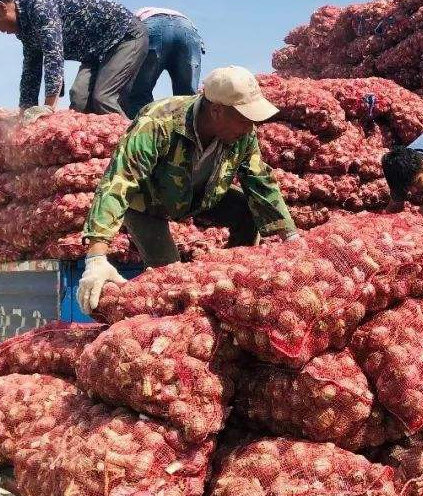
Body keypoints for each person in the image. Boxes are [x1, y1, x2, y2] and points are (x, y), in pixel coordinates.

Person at [75, 66, 299, 313]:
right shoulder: (159, 121)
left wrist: (291, 238)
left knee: (248, 209)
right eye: (244, 119)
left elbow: (260, 180)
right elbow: (120, 179)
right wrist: (96, 257)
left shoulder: (243, 133)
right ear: (216, 110)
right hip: (148, 205)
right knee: (173, 283)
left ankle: (230, 279)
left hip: (201, 196)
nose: (250, 128)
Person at [0, 0, 147, 116]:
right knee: (79, 100)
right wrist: (25, 110)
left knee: (103, 98)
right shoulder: (25, 30)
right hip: (96, 52)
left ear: (2, 8)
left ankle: (134, 152)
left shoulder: (39, 5)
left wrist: (48, 107)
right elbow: (31, 70)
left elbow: (53, 53)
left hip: (124, 37)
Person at [125, 7, 207, 118]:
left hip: (153, 25)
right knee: (188, 98)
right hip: (187, 28)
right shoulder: (178, 16)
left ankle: (141, 128)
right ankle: (185, 131)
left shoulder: (137, 15)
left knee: (138, 93)